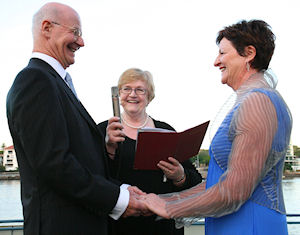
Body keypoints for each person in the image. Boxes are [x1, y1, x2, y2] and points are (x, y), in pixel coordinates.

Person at [6, 3, 147, 235]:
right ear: (47, 28)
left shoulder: (54, 82)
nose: (81, 42)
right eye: (76, 32)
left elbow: (78, 159)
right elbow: (54, 164)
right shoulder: (35, 81)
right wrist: (119, 199)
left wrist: (119, 183)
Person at [143, 20, 292, 235]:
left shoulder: (257, 102)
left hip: (249, 226)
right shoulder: (251, 99)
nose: (216, 61)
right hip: (231, 224)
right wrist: (157, 200)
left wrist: (169, 207)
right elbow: (217, 182)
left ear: (249, 53)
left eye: (222, 53)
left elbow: (235, 190)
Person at [98, 68, 202, 235]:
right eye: (127, 89)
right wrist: (109, 148)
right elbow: (94, 178)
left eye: (140, 90)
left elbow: (195, 179)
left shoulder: (166, 131)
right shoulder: (104, 130)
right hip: (119, 226)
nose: (133, 94)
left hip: (162, 225)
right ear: (119, 96)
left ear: (149, 97)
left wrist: (180, 176)